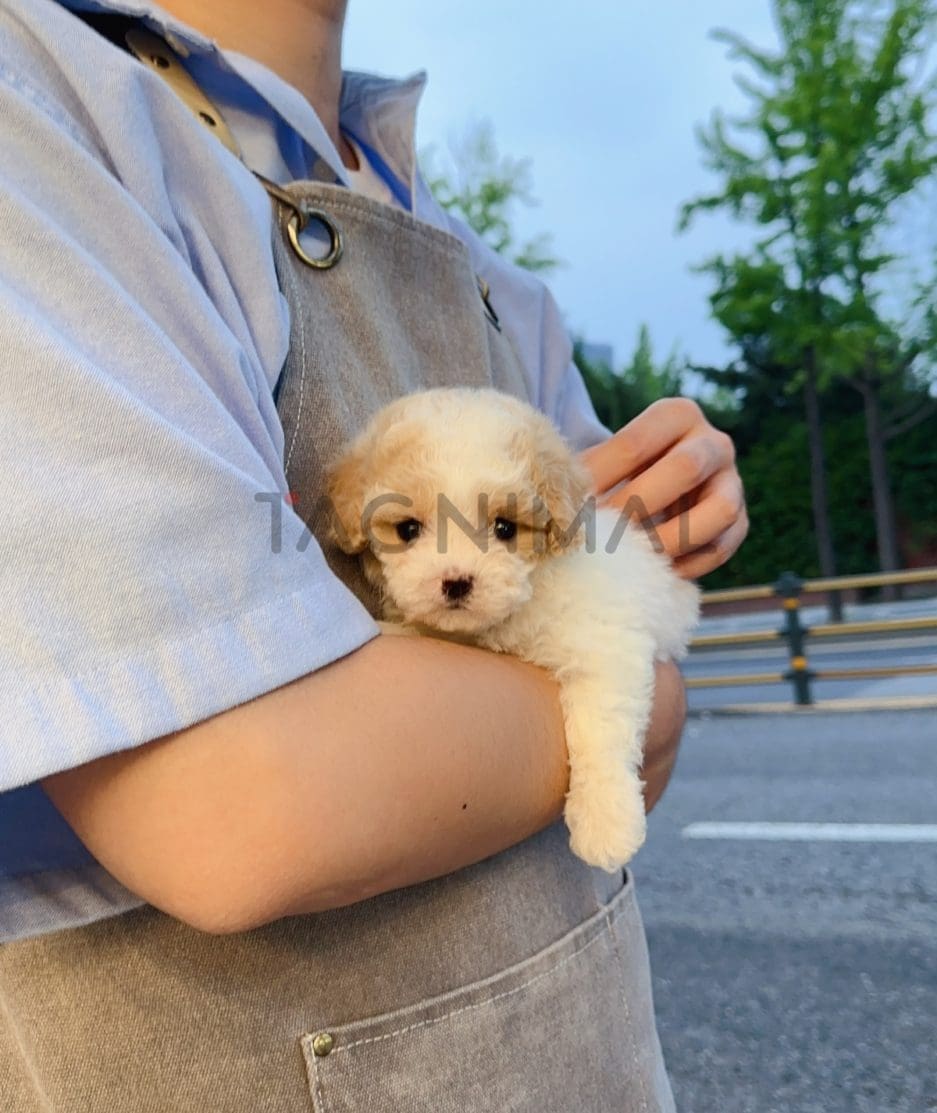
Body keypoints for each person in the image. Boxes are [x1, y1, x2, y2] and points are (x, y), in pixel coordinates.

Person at [0, 0, 748, 1109]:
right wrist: (626, 686)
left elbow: (599, 555)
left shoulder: (446, 229)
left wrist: (665, 508)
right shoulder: (45, 114)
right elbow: (239, 804)